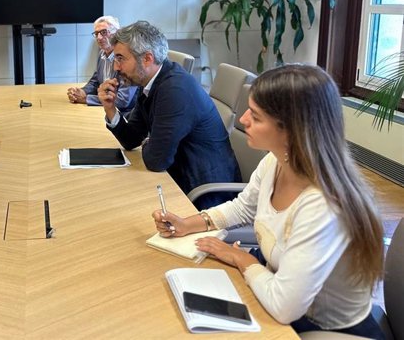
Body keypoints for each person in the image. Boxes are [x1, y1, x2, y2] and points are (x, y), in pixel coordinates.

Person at [152, 64, 385, 339]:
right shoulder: (276, 161)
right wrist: (187, 224)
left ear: (291, 130)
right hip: (277, 292)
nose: (243, 120)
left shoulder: (323, 205)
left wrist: (240, 258)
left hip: (321, 328)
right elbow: (243, 207)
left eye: (257, 116)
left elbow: (284, 307)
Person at [98, 20, 240, 209]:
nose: (116, 67)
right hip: (178, 179)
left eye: (121, 58)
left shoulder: (175, 89)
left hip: (204, 195)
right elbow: (132, 139)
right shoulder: (150, 82)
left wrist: (150, 142)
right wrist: (111, 109)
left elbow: (157, 160)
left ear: (147, 59)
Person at [67, 16, 137, 111]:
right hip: (104, 109)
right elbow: (96, 81)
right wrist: (82, 92)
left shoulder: (127, 58)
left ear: (116, 34)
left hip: (125, 114)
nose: (99, 37)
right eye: (96, 34)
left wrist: (86, 99)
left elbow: (123, 100)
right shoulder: (102, 53)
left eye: (104, 32)